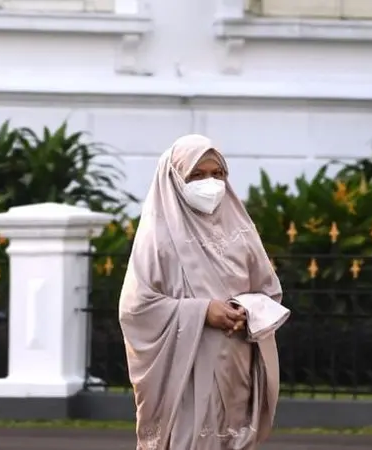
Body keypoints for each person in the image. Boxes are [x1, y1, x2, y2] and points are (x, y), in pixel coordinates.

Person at [118, 134, 283, 450]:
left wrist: (245, 309)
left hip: (237, 367)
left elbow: (268, 292)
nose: (210, 182)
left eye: (217, 174)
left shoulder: (241, 232)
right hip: (185, 375)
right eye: (197, 174)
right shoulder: (159, 239)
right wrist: (203, 311)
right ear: (176, 179)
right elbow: (135, 307)